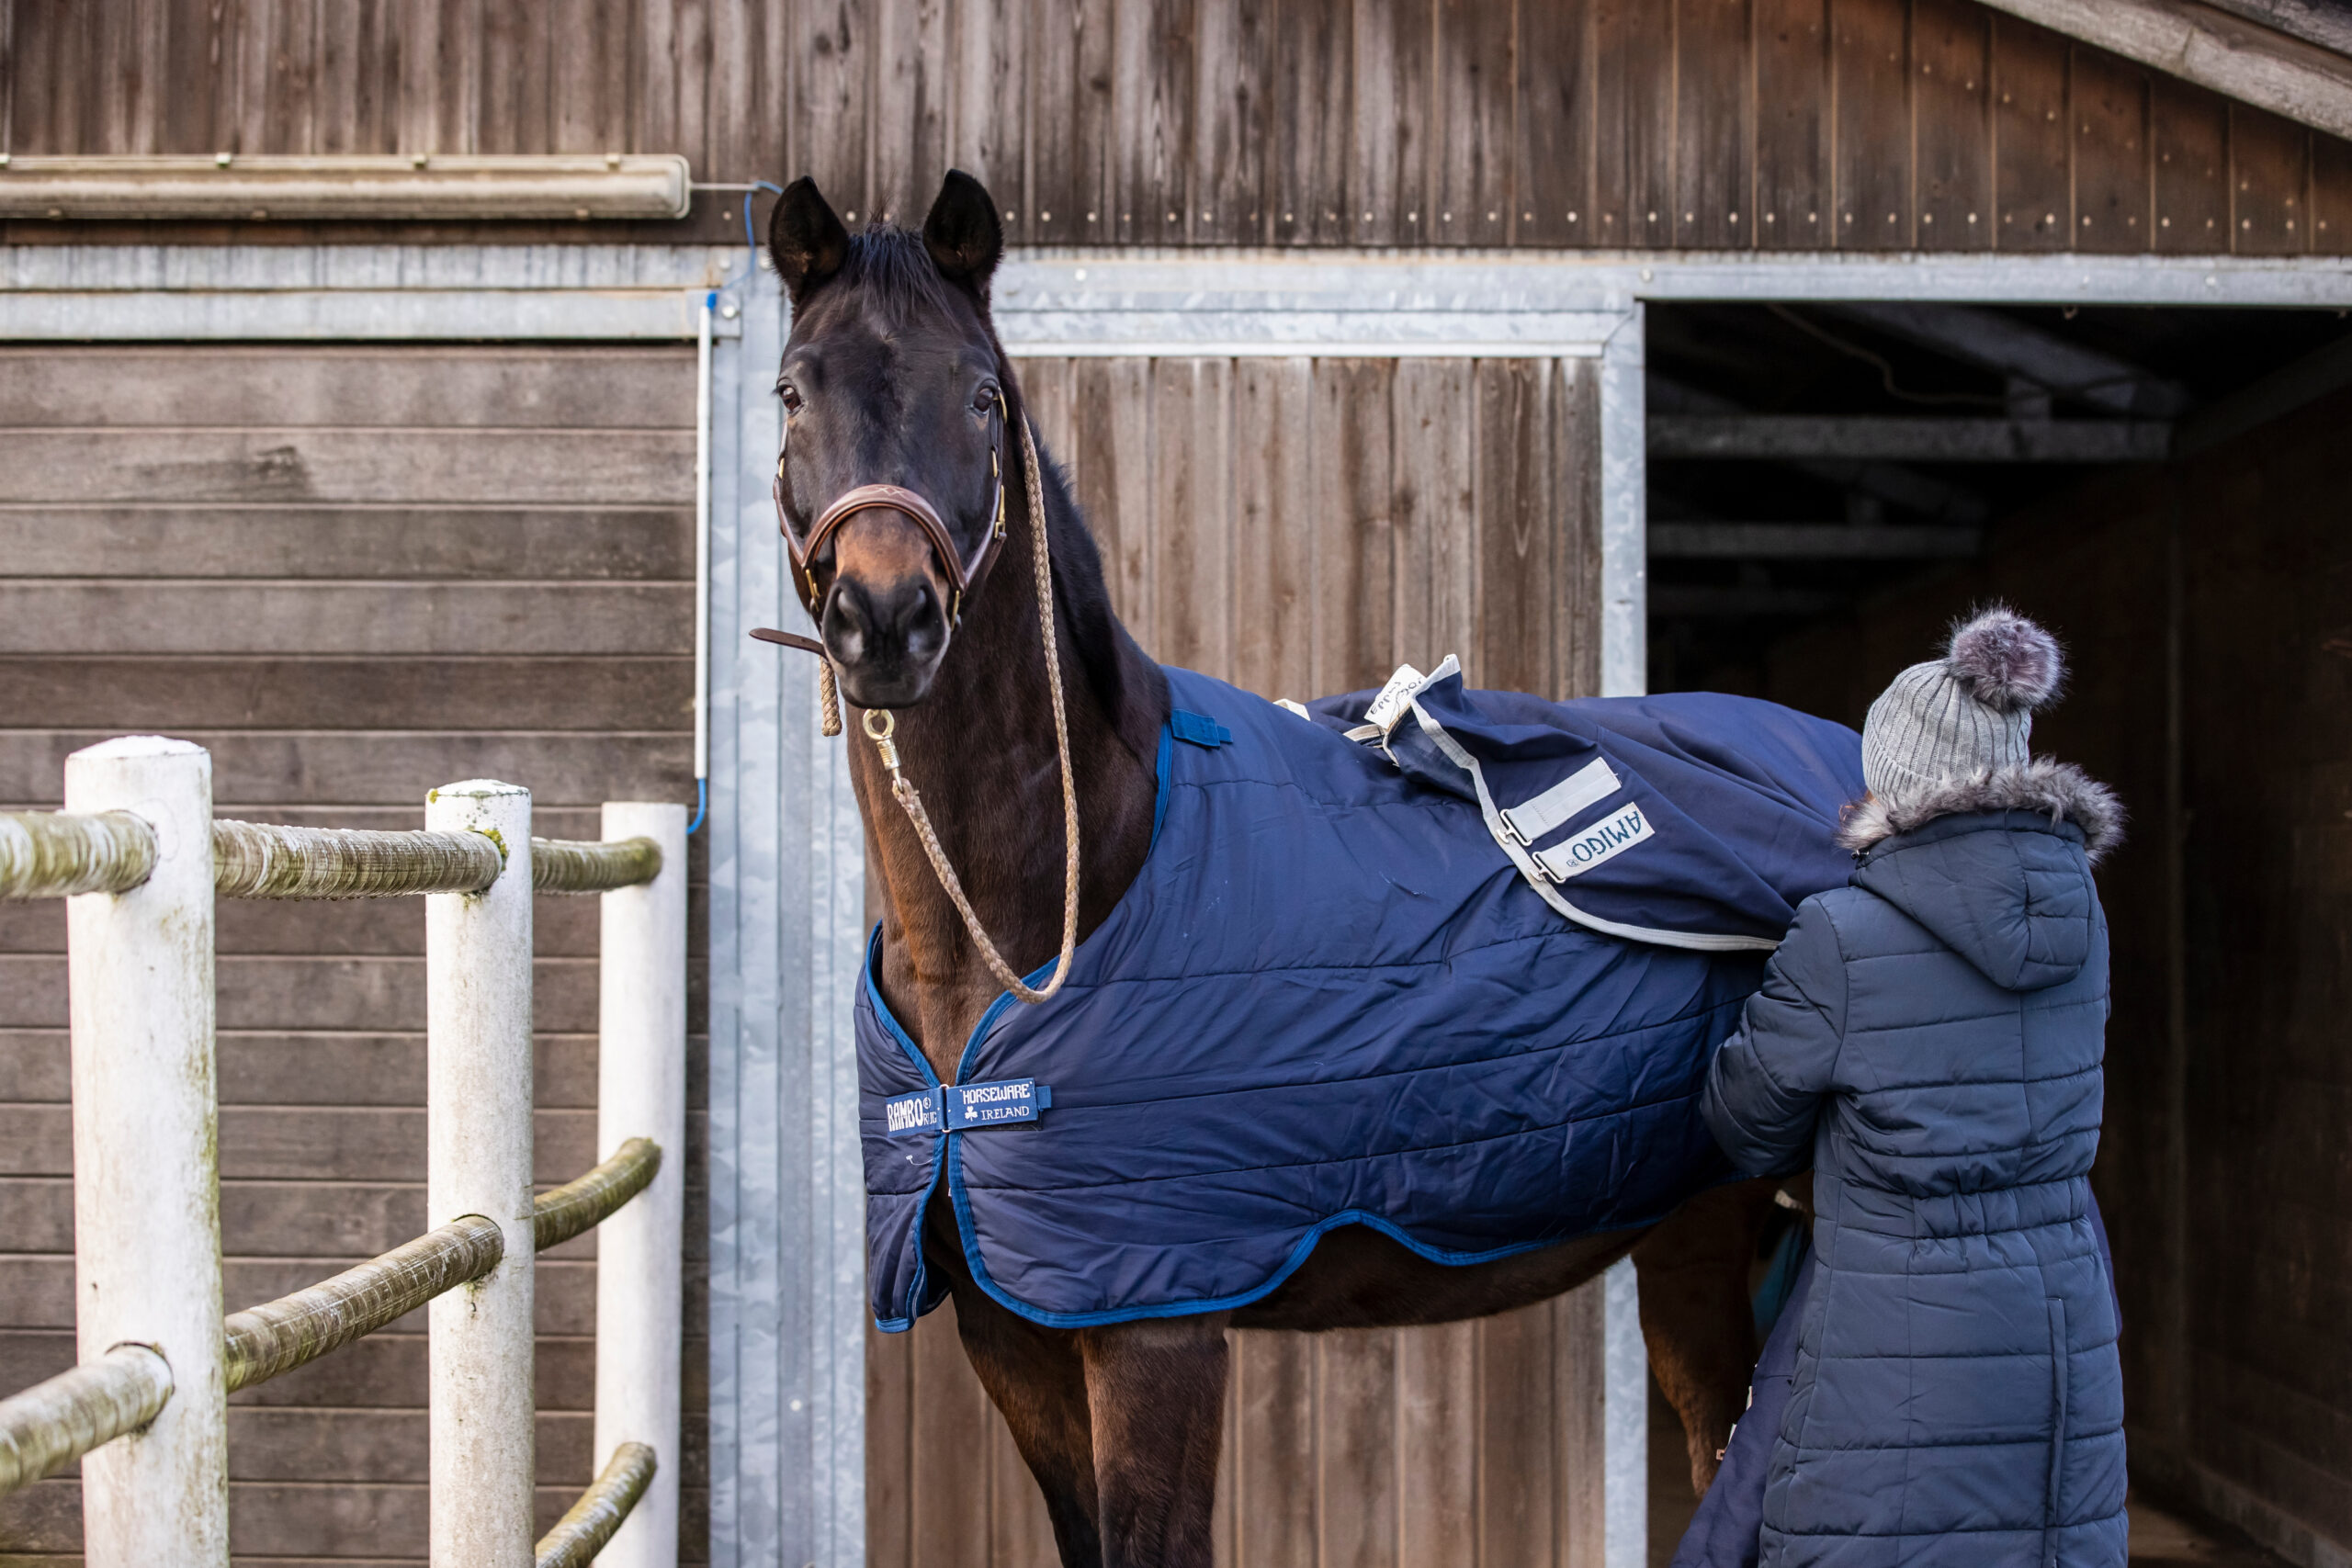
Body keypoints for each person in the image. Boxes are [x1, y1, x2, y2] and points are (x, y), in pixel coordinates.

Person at [1697, 605, 2128, 1567]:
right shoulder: (2083, 918)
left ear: (1890, 779)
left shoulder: (1841, 935)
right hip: (2062, 1327)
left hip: (1893, 1343)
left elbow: (1743, 1125)